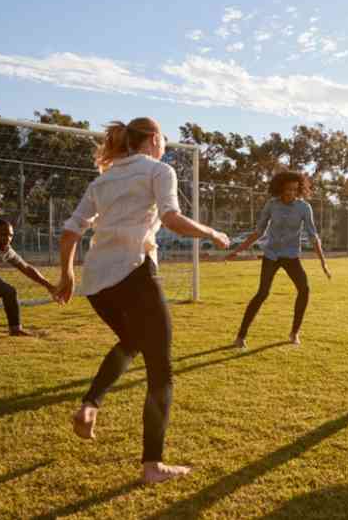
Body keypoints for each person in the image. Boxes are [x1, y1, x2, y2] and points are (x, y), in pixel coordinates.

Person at [54, 117, 230, 485]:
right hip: (134, 273)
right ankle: (153, 465)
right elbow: (172, 218)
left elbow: (71, 230)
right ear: (153, 139)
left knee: (132, 342)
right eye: (163, 138)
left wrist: (67, 274)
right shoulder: (159, 170)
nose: (164, 144)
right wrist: (213, 232)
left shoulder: (102, 180)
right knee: (161, 371)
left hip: (97, 282)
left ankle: (89, 406)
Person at [225, 171, 331, 348]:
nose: (291, 193)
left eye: (295, 190)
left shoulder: (304, 208)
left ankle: (294, 332)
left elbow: (313, 236)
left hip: (291, 256)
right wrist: (237, 251)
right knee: (262, 293)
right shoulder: (272, 205)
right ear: (280, 187)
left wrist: (323, 262)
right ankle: (240, 337)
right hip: (271, 255)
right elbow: (259, 231)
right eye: (288, 189)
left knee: (304, 289)